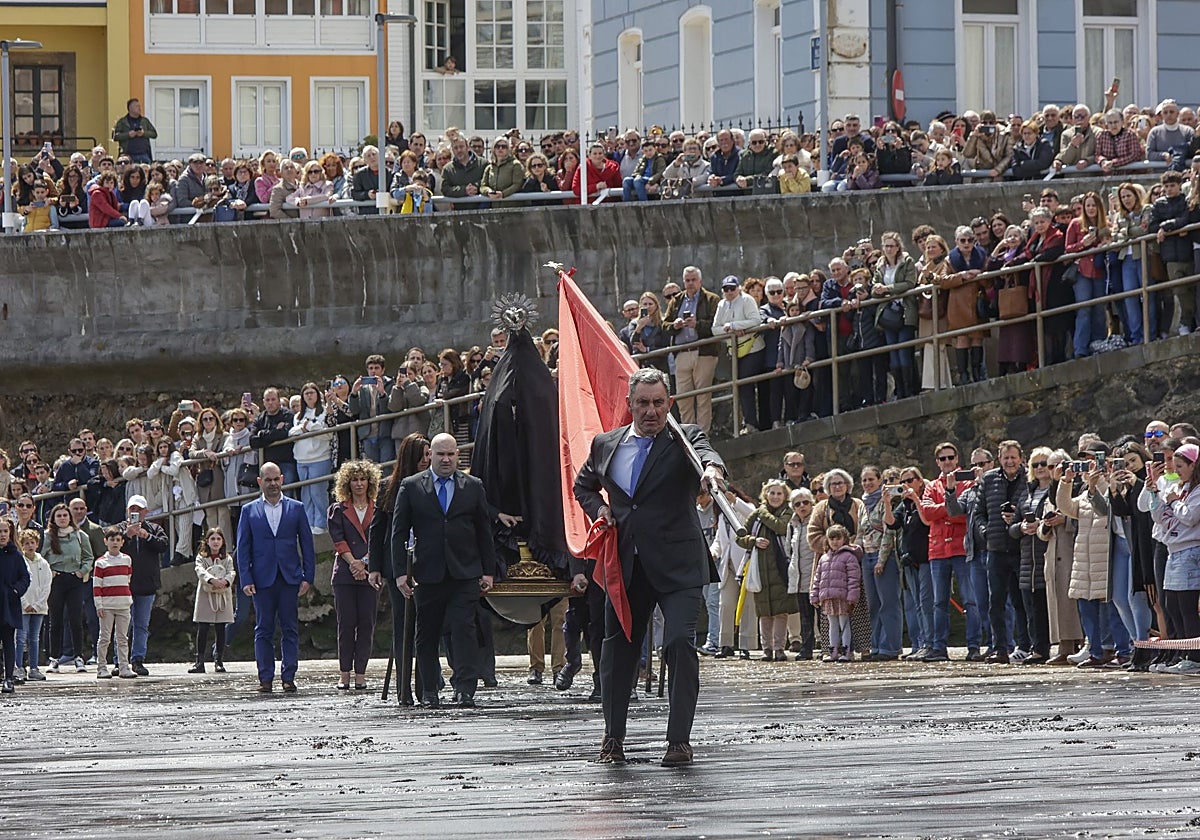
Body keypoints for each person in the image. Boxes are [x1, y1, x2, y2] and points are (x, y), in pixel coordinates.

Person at [573, 368, 726, 767]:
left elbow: (707, 457)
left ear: (669, 403)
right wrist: (600, 509)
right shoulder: (606, 444)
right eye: (643, 403)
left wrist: (712, 472)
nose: (651, 411)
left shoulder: (684, 438)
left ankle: (679, 741)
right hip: (626, 565)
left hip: (679, 564)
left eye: (659, 403)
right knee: (618, 650)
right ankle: (613, 738)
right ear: (630, 404)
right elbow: (582, 486)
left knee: (679, 642)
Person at [383, 433, 497, 709]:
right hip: (427, 572)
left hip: (464, 571)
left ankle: (465, 688)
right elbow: (398, 532)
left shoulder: (473, 486)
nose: (446, 460)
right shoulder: (411, 487)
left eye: (451, 454)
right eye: (440, 454)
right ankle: (429, 689)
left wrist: (488, 571)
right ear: (430, 456)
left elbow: (484, 531)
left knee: (464, 629)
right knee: (427, 632)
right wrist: (400, 573)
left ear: (458, 455)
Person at [236, 463, 316, 693]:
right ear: (259, 481)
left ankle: (289, 677)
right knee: (263, 629)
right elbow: (243, 547)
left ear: (282, 479)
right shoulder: (248, 510)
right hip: (262, 579)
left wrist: (308, 576)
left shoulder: (296, 508)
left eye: (275, 479)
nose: (272, 484)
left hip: (289, 577)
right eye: (267, 480)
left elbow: (307, 545)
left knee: (290, 628)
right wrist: (246, 578)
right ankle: (265, 678)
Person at [328, 459, 382, 691]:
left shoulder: (379, 509)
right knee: (346, 624)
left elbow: (381, 539)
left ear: (370, 482)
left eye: (363, 479)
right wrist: (353, 563)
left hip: (371, 572)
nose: (359, 484)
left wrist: (365, 562)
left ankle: (361, 673)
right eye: (354, 480)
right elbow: (338, 540)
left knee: (367, 624)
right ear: (347, 483)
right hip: (344, 573)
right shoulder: (338, 509)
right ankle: (344, 674)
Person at [736, 479, 795, 661]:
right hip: (760, 570)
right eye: (772, 493)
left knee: (780, 611)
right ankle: (767, 649)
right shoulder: (756, 515)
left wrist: (762, 513)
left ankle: (779, 648)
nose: (775, 497)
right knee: (764, 612)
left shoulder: (787, 512)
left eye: (779, 493)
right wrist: (753, 541)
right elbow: (740, 537)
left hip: (781, 568)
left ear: (785, 496)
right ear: (766, 495)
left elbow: (781, 527)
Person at [121, 495, 168, 675]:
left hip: (146, 584)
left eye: (139, 509)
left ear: (146, 512)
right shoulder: (119, 529)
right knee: (123, 626)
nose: (135, 512)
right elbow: (109, 546)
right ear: (127, 511)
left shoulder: (154, 528)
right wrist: (127, 535)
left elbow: (163, 545)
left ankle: (138, 659)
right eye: (132, 509)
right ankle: (120, 660)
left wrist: (147, 537)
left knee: (141, 625)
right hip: (123, 586)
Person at [810, 524, 863, 662]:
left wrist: (852, 597)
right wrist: (814, 596)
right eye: (832, 539)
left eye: (838, 538)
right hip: (828, 597)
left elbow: (854, 578)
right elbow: (817, 578)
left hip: (842, 597)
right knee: (832, 624)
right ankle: (833, 651)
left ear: (844, 539)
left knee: (844, 623)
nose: (834, 542)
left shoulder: (849, 556)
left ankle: (846, 651)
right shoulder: (824, 558)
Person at [188, 528, 235, 675]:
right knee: (203, 627)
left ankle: (219, 660)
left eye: (218, 539)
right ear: (207, 541)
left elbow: (231, 572)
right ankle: (199, 661)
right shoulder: (201, 557)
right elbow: (200, 570)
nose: (215, 542)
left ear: (223, 541)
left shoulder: (227, 558)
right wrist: (212, 580)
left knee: (221, 628)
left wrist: (225, 581)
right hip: (206, 594)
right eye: (212, 539)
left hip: (222, 595)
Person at [92, 526, 136, 680]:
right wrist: (99, 605)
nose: (115, 543)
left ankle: (124, 667)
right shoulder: (100, 563)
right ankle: (101, 668)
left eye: (118, 540)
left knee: (122, 638)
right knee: (105, 638)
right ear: (106, 541)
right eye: (112, 540)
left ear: (122, 542)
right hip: (107, 606)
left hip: (123, 604)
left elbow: (128, 579)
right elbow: (97, 586)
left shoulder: (127, 559)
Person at [15, 529, 50, 683]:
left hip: (39, 607)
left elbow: (47, 585)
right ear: (22, 545)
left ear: (37, 544)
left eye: (32, 543)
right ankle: (18, 667)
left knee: (34, 638)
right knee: (20, 638)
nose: (30, 546)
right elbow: (17, 583)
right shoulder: (20, 562)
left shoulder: (43, 563)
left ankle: (34, 668)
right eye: (26, 543)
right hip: (23, 607)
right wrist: (25, 603)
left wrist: (38, 604)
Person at [0, 519, 30, 693]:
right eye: (0, 531)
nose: (2, 535)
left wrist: (16, 591)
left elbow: (24, 578)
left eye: (5, 531)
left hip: (9, 604)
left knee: (8, 641)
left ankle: (9, 678)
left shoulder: (15, 555)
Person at [111, 98, 157, 163]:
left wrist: (143, 133)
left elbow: (154, 134)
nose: (139, 108)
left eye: (139, 106)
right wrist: (128, 135)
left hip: (144, 155)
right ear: (130, 108)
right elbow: (114, 136)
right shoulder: (122, 122)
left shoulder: (145, 121)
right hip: (127, 155)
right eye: (137, 106)